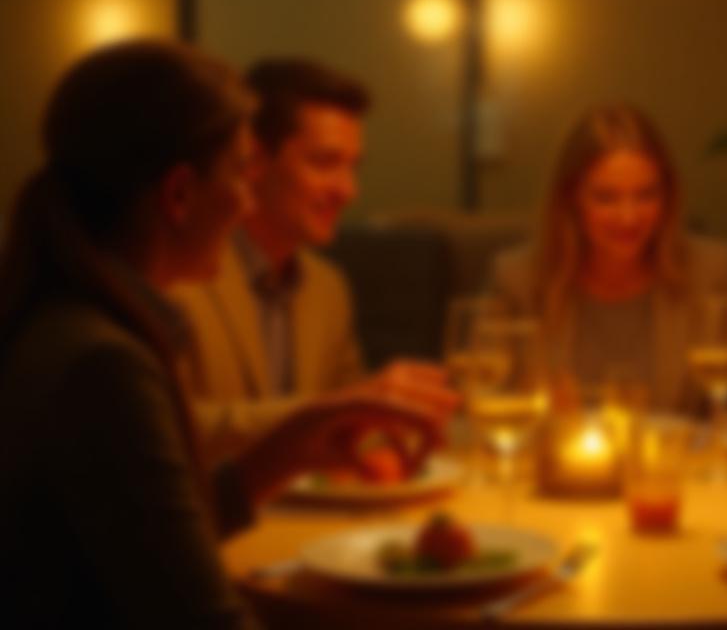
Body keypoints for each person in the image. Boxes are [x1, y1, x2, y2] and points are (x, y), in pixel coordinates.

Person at [0, 40, 446, 628]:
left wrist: (278, 457)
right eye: (240, 171)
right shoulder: (102, 363)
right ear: (180, 195)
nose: (245, 200)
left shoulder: (72, 319)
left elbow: (155, 536)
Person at [169, 58, 454, 461]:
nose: (348, 190)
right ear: (255, 162)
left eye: (353, 167)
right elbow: (166, 427)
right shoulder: (180, 275)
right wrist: (330, 411)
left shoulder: (327, 287)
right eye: (325, 163)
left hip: (311, 519)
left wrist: (386, 433)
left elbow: (351, 420)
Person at [488, 104, 727, 413]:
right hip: (556, 460)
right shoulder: (517, 279)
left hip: (676, 460)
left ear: (668, 195)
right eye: (606, 198)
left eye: (646, 195)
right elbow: (481, 406)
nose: (629, 218)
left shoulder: (713, 271)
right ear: (572, 198)